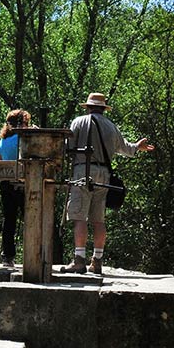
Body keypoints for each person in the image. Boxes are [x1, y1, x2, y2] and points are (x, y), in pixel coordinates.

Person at [61, 93, 154, 275]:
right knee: (98, 219)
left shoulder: (79, 122)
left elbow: (67, 147)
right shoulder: (111, 126)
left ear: (88, 107)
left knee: (79, 216)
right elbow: (125, 148)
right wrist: (137, 146)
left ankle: (79, 260)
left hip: (83, 170)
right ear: (103, 108)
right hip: (104, 175)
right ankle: (97, 260)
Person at [0, 109, 32, 268]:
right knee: (30, 220)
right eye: (26, 123)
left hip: (5, 183)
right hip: (23, 183)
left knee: (9, 220)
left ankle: (7, 256)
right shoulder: (23, 139)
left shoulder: (2, 141)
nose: (27, 126)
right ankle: (31, 255)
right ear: (20, 124)